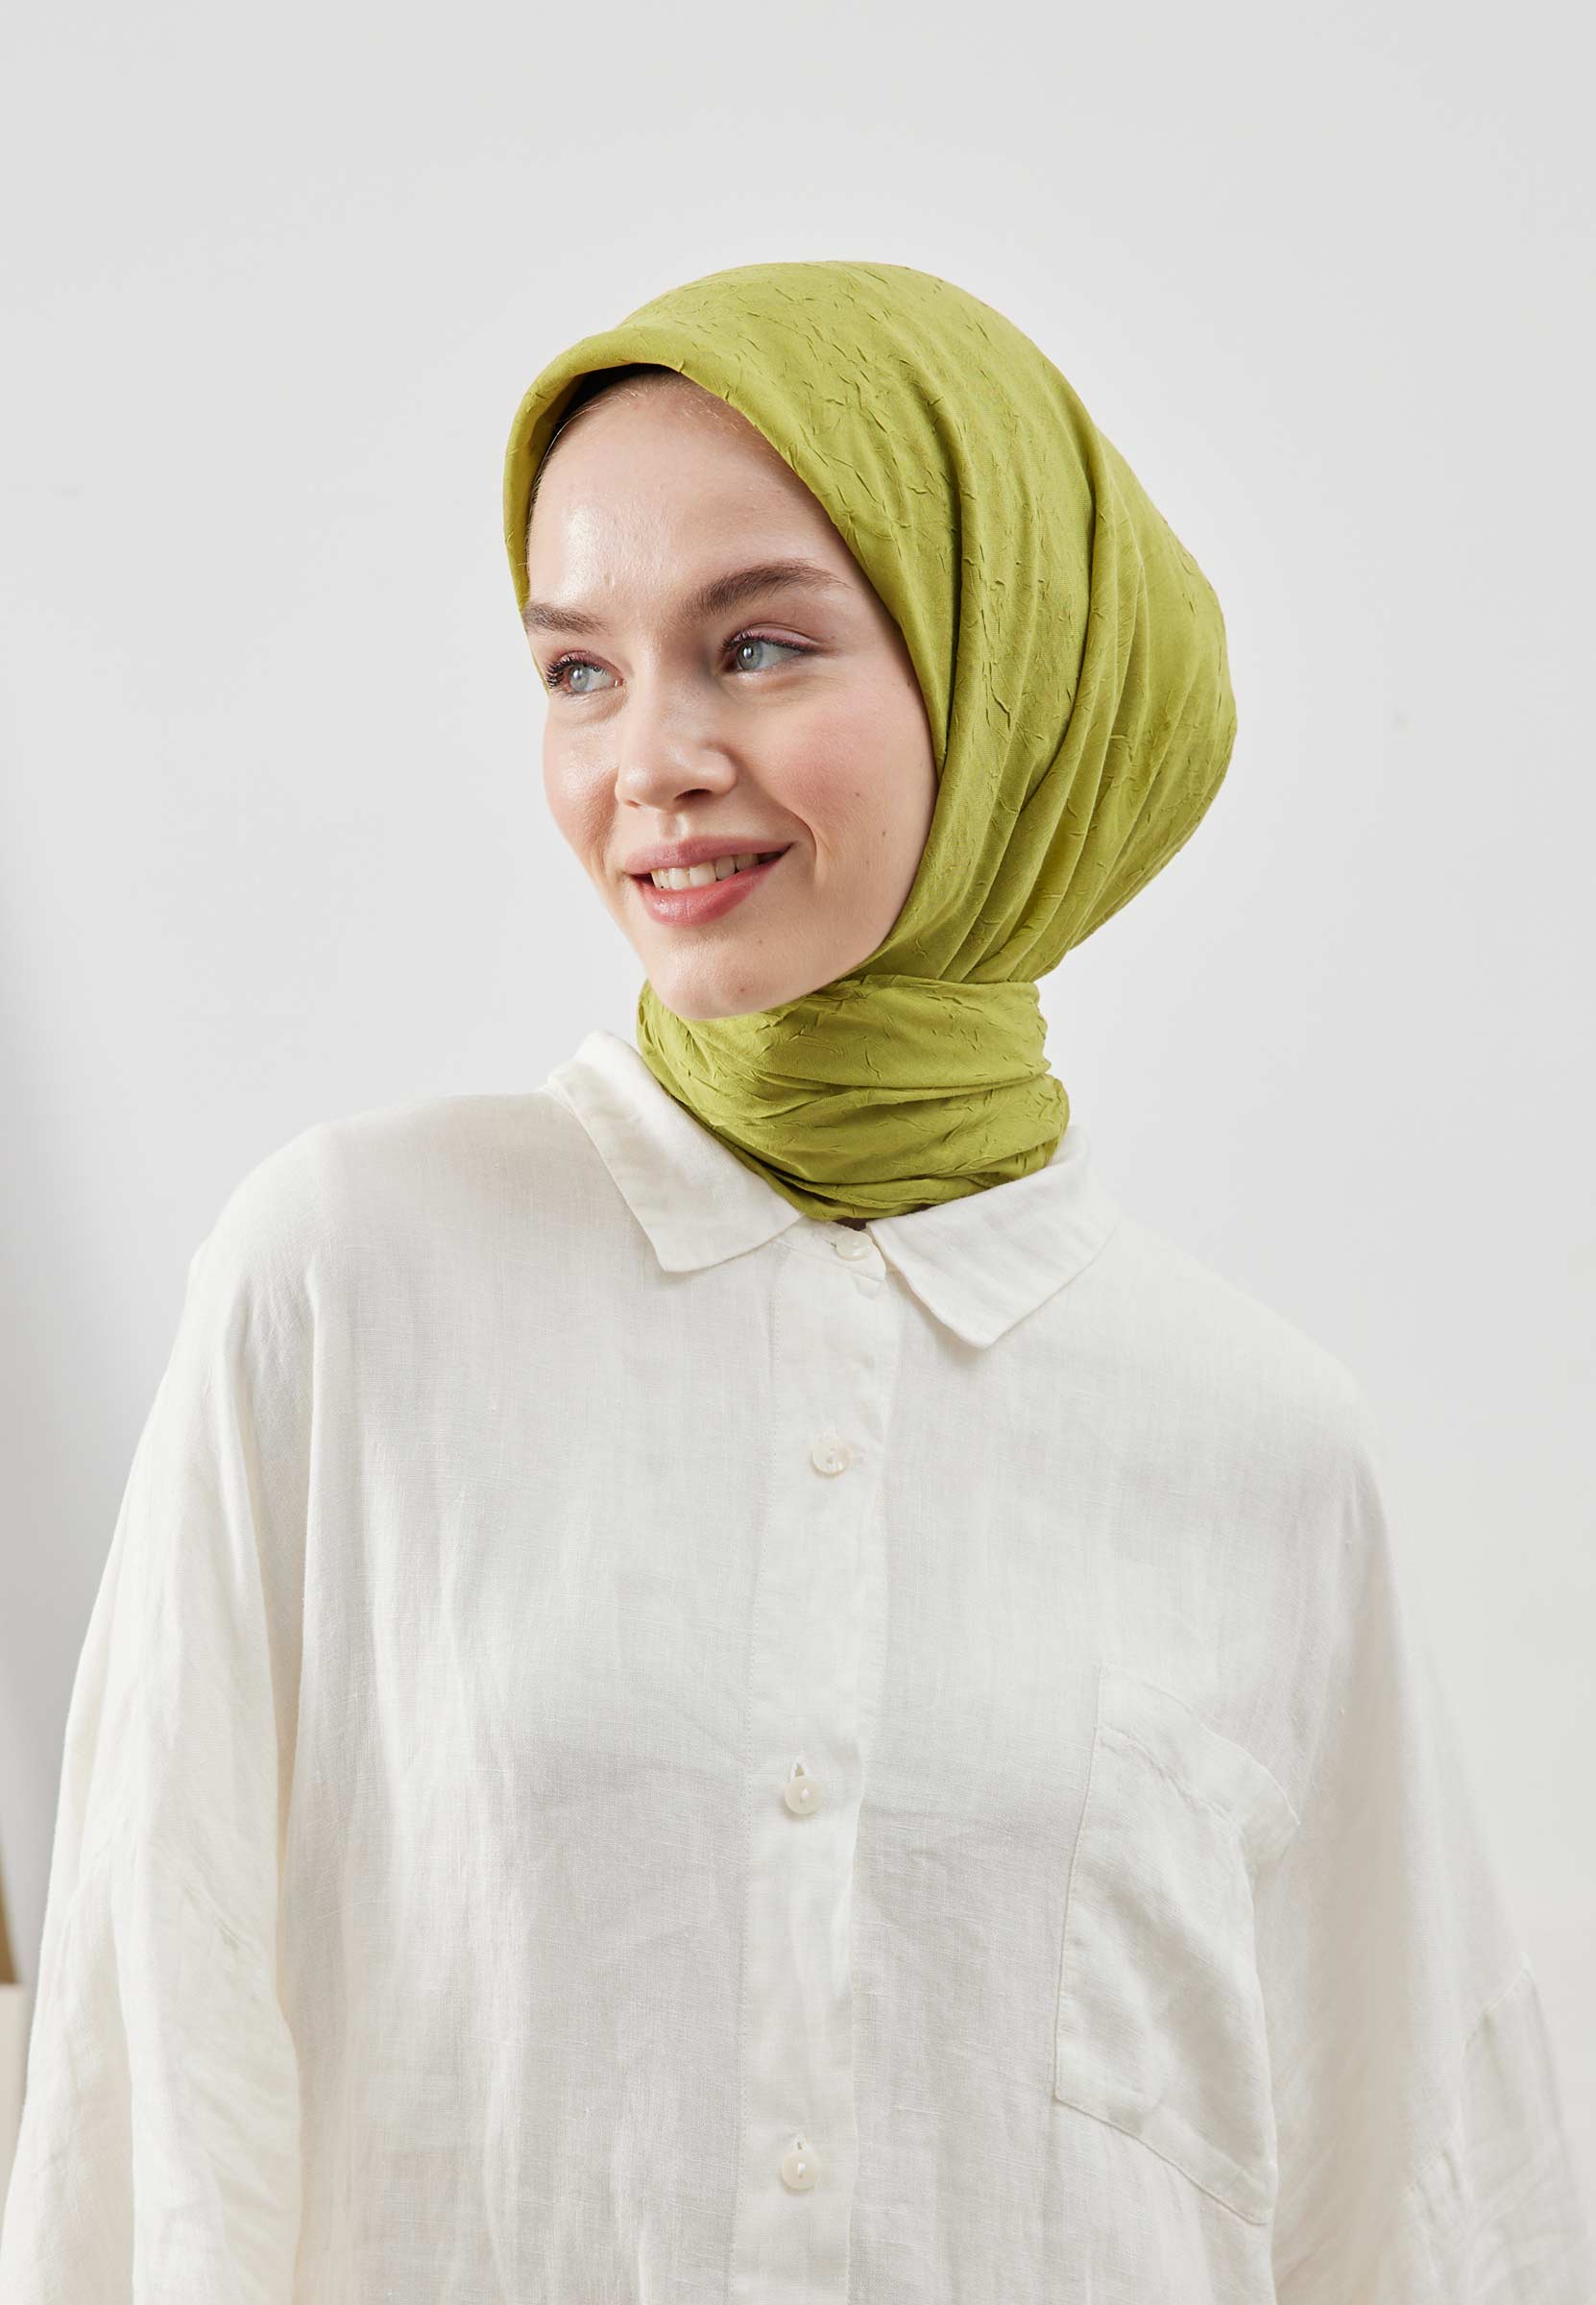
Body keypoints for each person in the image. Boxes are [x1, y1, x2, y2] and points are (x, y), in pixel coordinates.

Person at [0, 258, 1588, 2302]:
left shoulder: (1261, 1445)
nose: (648, 758)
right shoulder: (350, 1284)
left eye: (755, 646)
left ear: (1011, 682)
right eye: (578, 670)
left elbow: (1413, 2211)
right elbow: (148, 2095)